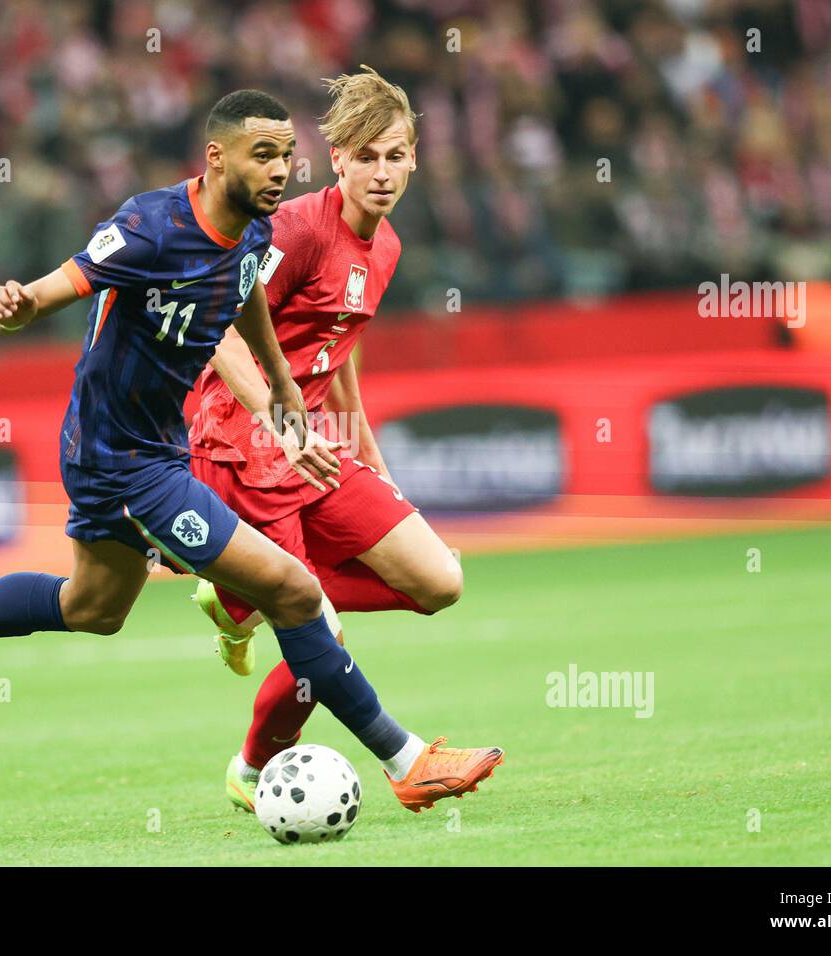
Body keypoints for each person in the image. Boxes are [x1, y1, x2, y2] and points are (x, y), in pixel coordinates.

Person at [0, 89, 502, 814]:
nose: (281, 169)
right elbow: (73, 278)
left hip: (156, 449)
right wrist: (23, 303)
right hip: (121, 457)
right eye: (263, 155)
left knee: (93, 605)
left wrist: (285, 395)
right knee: (296, 592)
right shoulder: (152, 225)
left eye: (285, 154)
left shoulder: (251, 234)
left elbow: (248, 304)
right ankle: (406, 760)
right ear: (216, 158)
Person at [189, 68, 497, 812]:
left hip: (314, 446)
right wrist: (278, 419)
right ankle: (258, 765)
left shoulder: (383, 247)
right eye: (367, 157)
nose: (382, 172)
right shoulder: (295, 229)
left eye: (395, 156)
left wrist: (371, 454)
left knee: (438, 580)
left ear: (415, 158)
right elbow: (214, 326)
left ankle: (249, 599)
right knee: (316, 629)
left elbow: (340, 344)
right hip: (238, 440)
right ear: (337, 159)